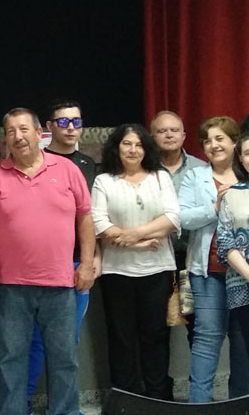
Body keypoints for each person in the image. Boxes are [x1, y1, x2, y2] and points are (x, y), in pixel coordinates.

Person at [0, 108, 94, 415]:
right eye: (11, 131)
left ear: (40, 133)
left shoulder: (67, 170)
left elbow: (85, 218)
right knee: (11, 359)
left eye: (24, 129)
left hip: (61, 283)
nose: (18, 136)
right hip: (12, 286)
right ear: (6, 139)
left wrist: (87, 264)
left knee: (64, 359)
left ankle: (65, 412)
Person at [92, 124, 180, 400]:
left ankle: (158, 398)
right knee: (121, 338)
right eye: (127, 144)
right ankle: (125, 399)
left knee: (155, 335)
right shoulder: (104, 181)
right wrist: (138, 243)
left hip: (157, 270)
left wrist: (134, 234)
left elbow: (172, 217)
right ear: (116, 147)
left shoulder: (160, 177)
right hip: (116, 271)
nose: (133, 150)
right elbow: (98, 222)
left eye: (139, 144)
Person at [25, 99, 101, 413]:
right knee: (34, 342)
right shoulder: (37, 161)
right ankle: (22, 404)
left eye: (76, 122)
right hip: (41, 266)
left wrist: (92, 258)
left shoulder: (88, 164)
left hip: (77, 262)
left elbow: (90, 217)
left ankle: (64, 408)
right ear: (48, 126)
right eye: (63, 122)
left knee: (68, 342)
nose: (71, 128)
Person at [178, 116, 239, 402]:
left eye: (219, 139)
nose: (213, 145)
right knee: (207, 337)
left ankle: (239, 401)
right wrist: (215, 206)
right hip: (208, 271)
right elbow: (182, 217)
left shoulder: (246, 173)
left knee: (242, 339)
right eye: (207, 141)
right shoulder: (195, 176)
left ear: (234, 142)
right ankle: (199, 404)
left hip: (244, 272)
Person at [150, 111, 207, 347]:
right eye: (162, 131)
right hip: (154, 258)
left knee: (198, 326)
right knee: (155, 328)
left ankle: (199, 372)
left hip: (192, 258)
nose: (169, 135)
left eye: (174, 130)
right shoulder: (143, 170)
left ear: (183, 136)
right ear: (152, 137)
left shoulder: (202, 169)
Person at [217, 134, 249, 389]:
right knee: (244, 355)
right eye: (247, 153)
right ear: (240, 159)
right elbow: (225, 242)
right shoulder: (232, 195)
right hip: (242, 284)